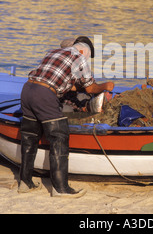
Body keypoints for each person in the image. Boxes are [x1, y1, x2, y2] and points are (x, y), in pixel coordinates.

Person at [19, 36, 114, 197]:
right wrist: (106, 85)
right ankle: (60, 189)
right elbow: (90, 89)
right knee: (59, 137)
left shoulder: (54, 51)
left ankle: (25, 183)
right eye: (88, 57)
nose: (87, 61)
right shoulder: (79, 58)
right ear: (85, 52)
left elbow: (60, 81)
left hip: (27, 90)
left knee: (29, 138)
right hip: (44, 95)